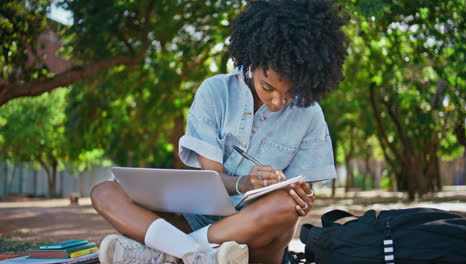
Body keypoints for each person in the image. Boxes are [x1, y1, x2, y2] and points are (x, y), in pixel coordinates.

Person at [91, 0, 347, 263]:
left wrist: (302, 198)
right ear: (253, 59)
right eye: (267, 87)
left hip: (257, 232)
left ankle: (174, 251)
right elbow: (211, 179)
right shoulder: (215, 92)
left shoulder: (309, 113)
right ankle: (198, 254)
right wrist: (244, 182)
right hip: (197, 218)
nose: (278, 101)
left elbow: (298, 194)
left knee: (285, 205)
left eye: (289, 92)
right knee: (105, 193)